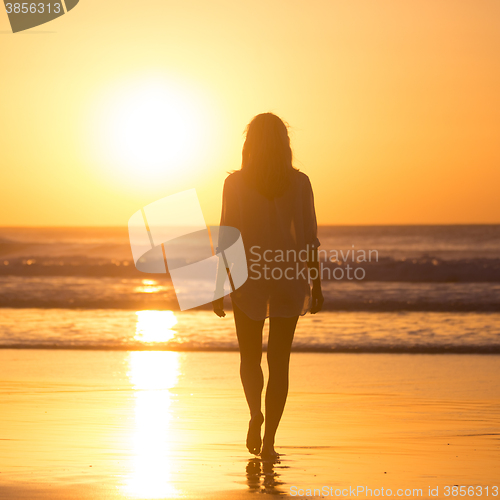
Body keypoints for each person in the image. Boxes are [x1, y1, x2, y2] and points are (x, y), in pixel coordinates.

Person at [212, 112, 324, 459]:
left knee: (249, 358)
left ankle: (255, 415)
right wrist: (316, 285)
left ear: (250, 143)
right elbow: (308, 239)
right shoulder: (300, 182)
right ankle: (270, 441)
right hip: (289, 277)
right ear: (283, 143)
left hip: (248, 278)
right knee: (279, 361)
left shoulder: (235, 184)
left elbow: (226, 237)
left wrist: (217, 286)